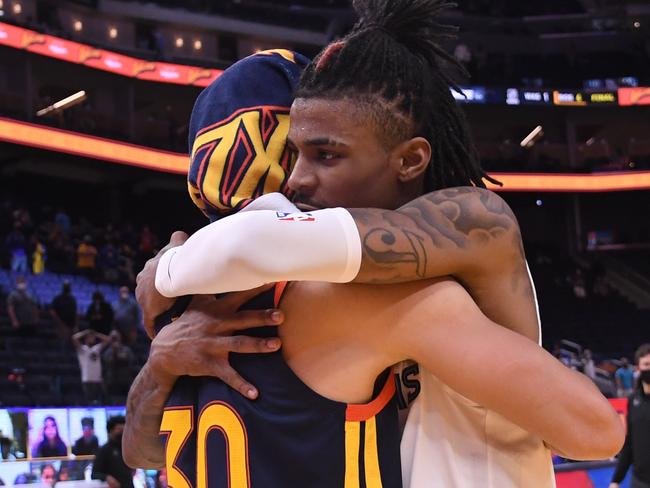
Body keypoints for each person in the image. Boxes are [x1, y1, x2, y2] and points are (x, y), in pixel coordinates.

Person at [125, 12, 622, 486]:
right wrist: (162, 356)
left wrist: (164, 277)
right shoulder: (377, 300)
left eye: (325, 153)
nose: (299, 179)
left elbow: (143, 452)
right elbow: (597, 431)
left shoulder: (471, 222)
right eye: (294, 154)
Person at [610, 344, 650, 488]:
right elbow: (629, 444)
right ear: (638, 368)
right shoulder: (633, 401)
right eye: (646, 364)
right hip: (639, 482)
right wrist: (616, 480)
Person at [92, 416, 133, 488]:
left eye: (124, 430)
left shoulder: (127, 448)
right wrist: (107, 478)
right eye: (119, 430)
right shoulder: (104, 450)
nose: (122, 433)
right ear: (110, 431)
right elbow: (94, 474)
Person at [72, 329, 110, 405]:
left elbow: (108, 339)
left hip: (97, 379)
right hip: (87, 379)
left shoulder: (96, 348)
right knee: (89, 402)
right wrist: (85, 332)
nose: (92, 338)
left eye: (92, 337)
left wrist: (96, 333)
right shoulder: (82, 349)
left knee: (99, 402)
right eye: (90, 337)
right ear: (86, 339)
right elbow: (74, 338)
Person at [102, 330, 135, 405]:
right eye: (113, 338)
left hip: (125, 381)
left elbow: (129, 360)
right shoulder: (108, 352)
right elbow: (108, 362)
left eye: (116, 337)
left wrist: (118, 353)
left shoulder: (126, 350)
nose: (115, 340)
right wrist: (115, 352)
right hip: (112, 382)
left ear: (120, 338)